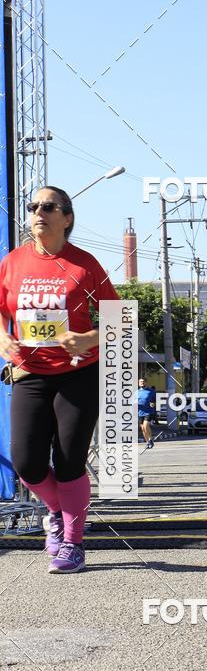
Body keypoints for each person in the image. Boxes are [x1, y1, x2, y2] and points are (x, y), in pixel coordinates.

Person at [0, 186, 120, 573]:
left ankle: (72, 542)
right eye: (34, 206)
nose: (38, 212)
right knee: (27, 464)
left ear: (66, 217)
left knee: (69, 462)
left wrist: (88, 337)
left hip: (78, 373)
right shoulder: (13, 262)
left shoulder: (84, 265)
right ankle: (56, 510)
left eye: (48, 207)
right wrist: (2, 336)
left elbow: (124, 318)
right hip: (31, 374)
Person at [137, 377, 156, 448]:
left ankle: (151, 439)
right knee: (142, 429)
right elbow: (133, 402)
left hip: (149, 412)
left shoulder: (151, 391)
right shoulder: (137, 392)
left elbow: (154, 400)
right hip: (140, 412)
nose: (142, 383)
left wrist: (153, 404)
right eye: (140, 382)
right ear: (139, 383)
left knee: (146, 426)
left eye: (143, 381)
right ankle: (148, 442)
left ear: (146, 382)